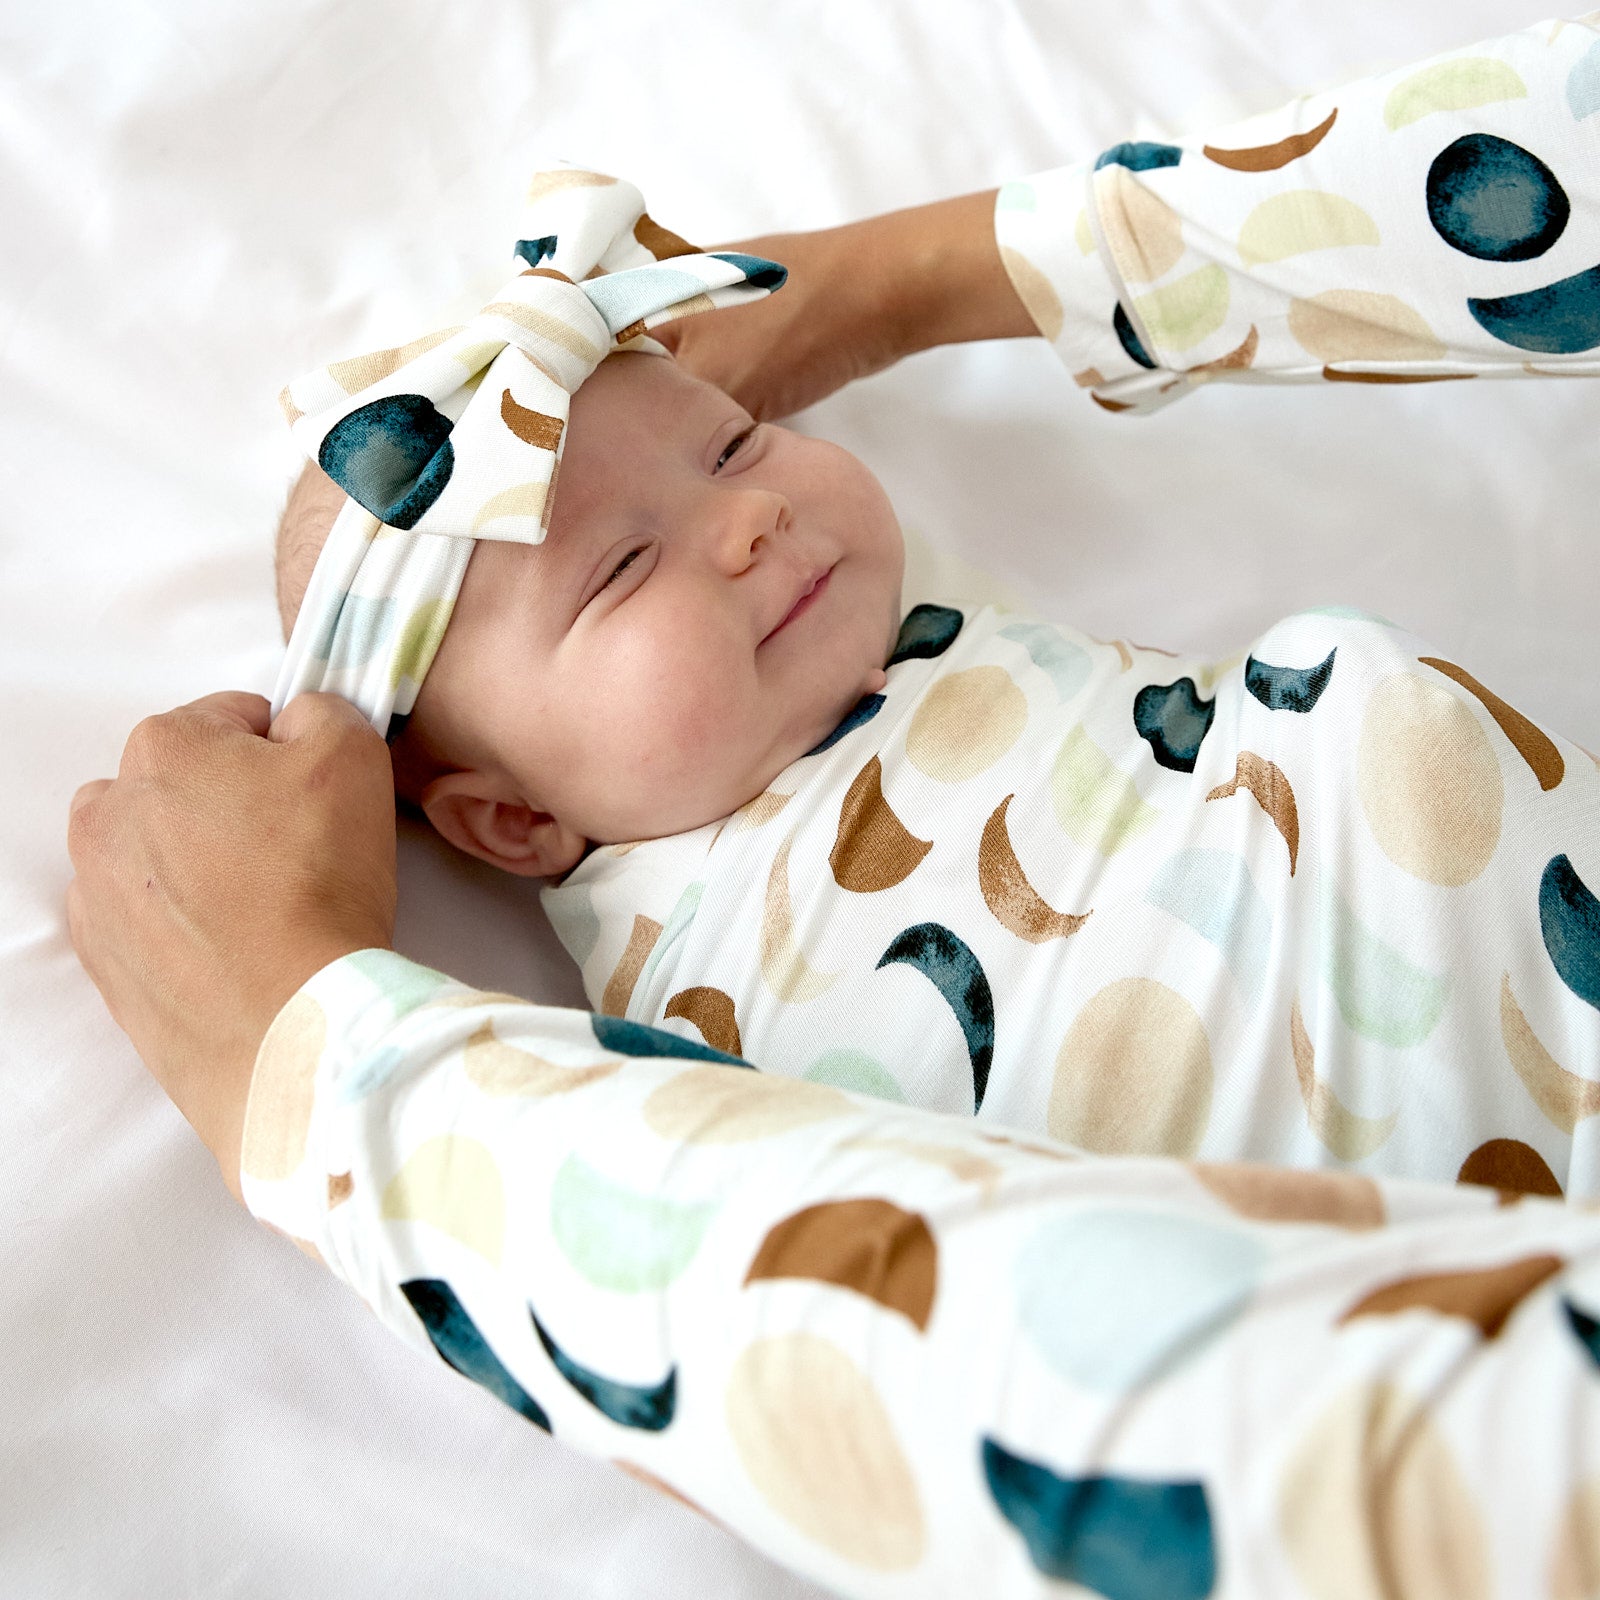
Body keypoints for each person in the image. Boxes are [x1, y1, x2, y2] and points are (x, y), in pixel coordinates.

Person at [69, 14, 1600, 1599]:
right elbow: (777, 1285)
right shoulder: (686, 989)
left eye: (737, 445)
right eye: (621, 568)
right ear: (512, 825)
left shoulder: (914, 620)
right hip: (1384, 1218)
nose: (746, 516)